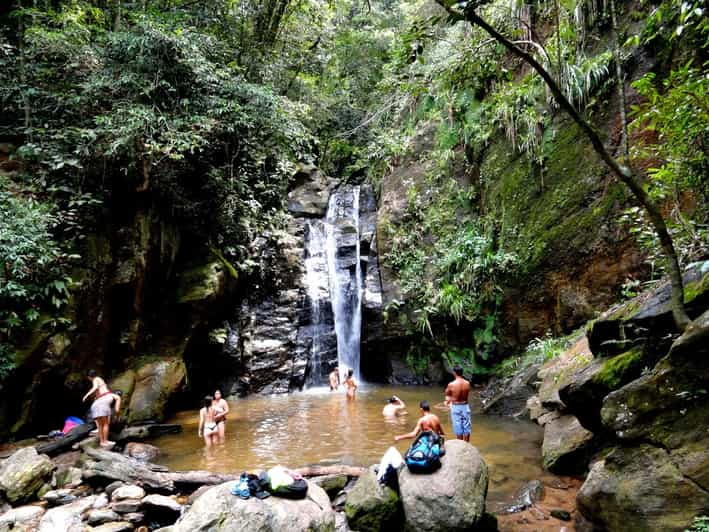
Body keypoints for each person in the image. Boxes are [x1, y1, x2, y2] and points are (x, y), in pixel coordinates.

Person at [82, 370, 114, 447]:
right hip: (102, 402)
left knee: (101, 424)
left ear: (89, 377)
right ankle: (105, 441)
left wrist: (86, 395)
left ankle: (102, 441)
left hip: (99, 403)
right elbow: (96, 388)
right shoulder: (99, 379)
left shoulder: (96, 379)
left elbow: (95, 387)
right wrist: (87, 395)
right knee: (105, 424)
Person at [444, 366, 471, 442]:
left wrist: (447, 401)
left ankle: (460, 445)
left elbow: (447, 395)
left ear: (454, 373)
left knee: (458, 426)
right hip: (465, 406)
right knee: (466, 426)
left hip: (456, 407)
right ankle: (467, 444)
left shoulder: (451, 384)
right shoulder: (467, 383)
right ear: (462, 373)